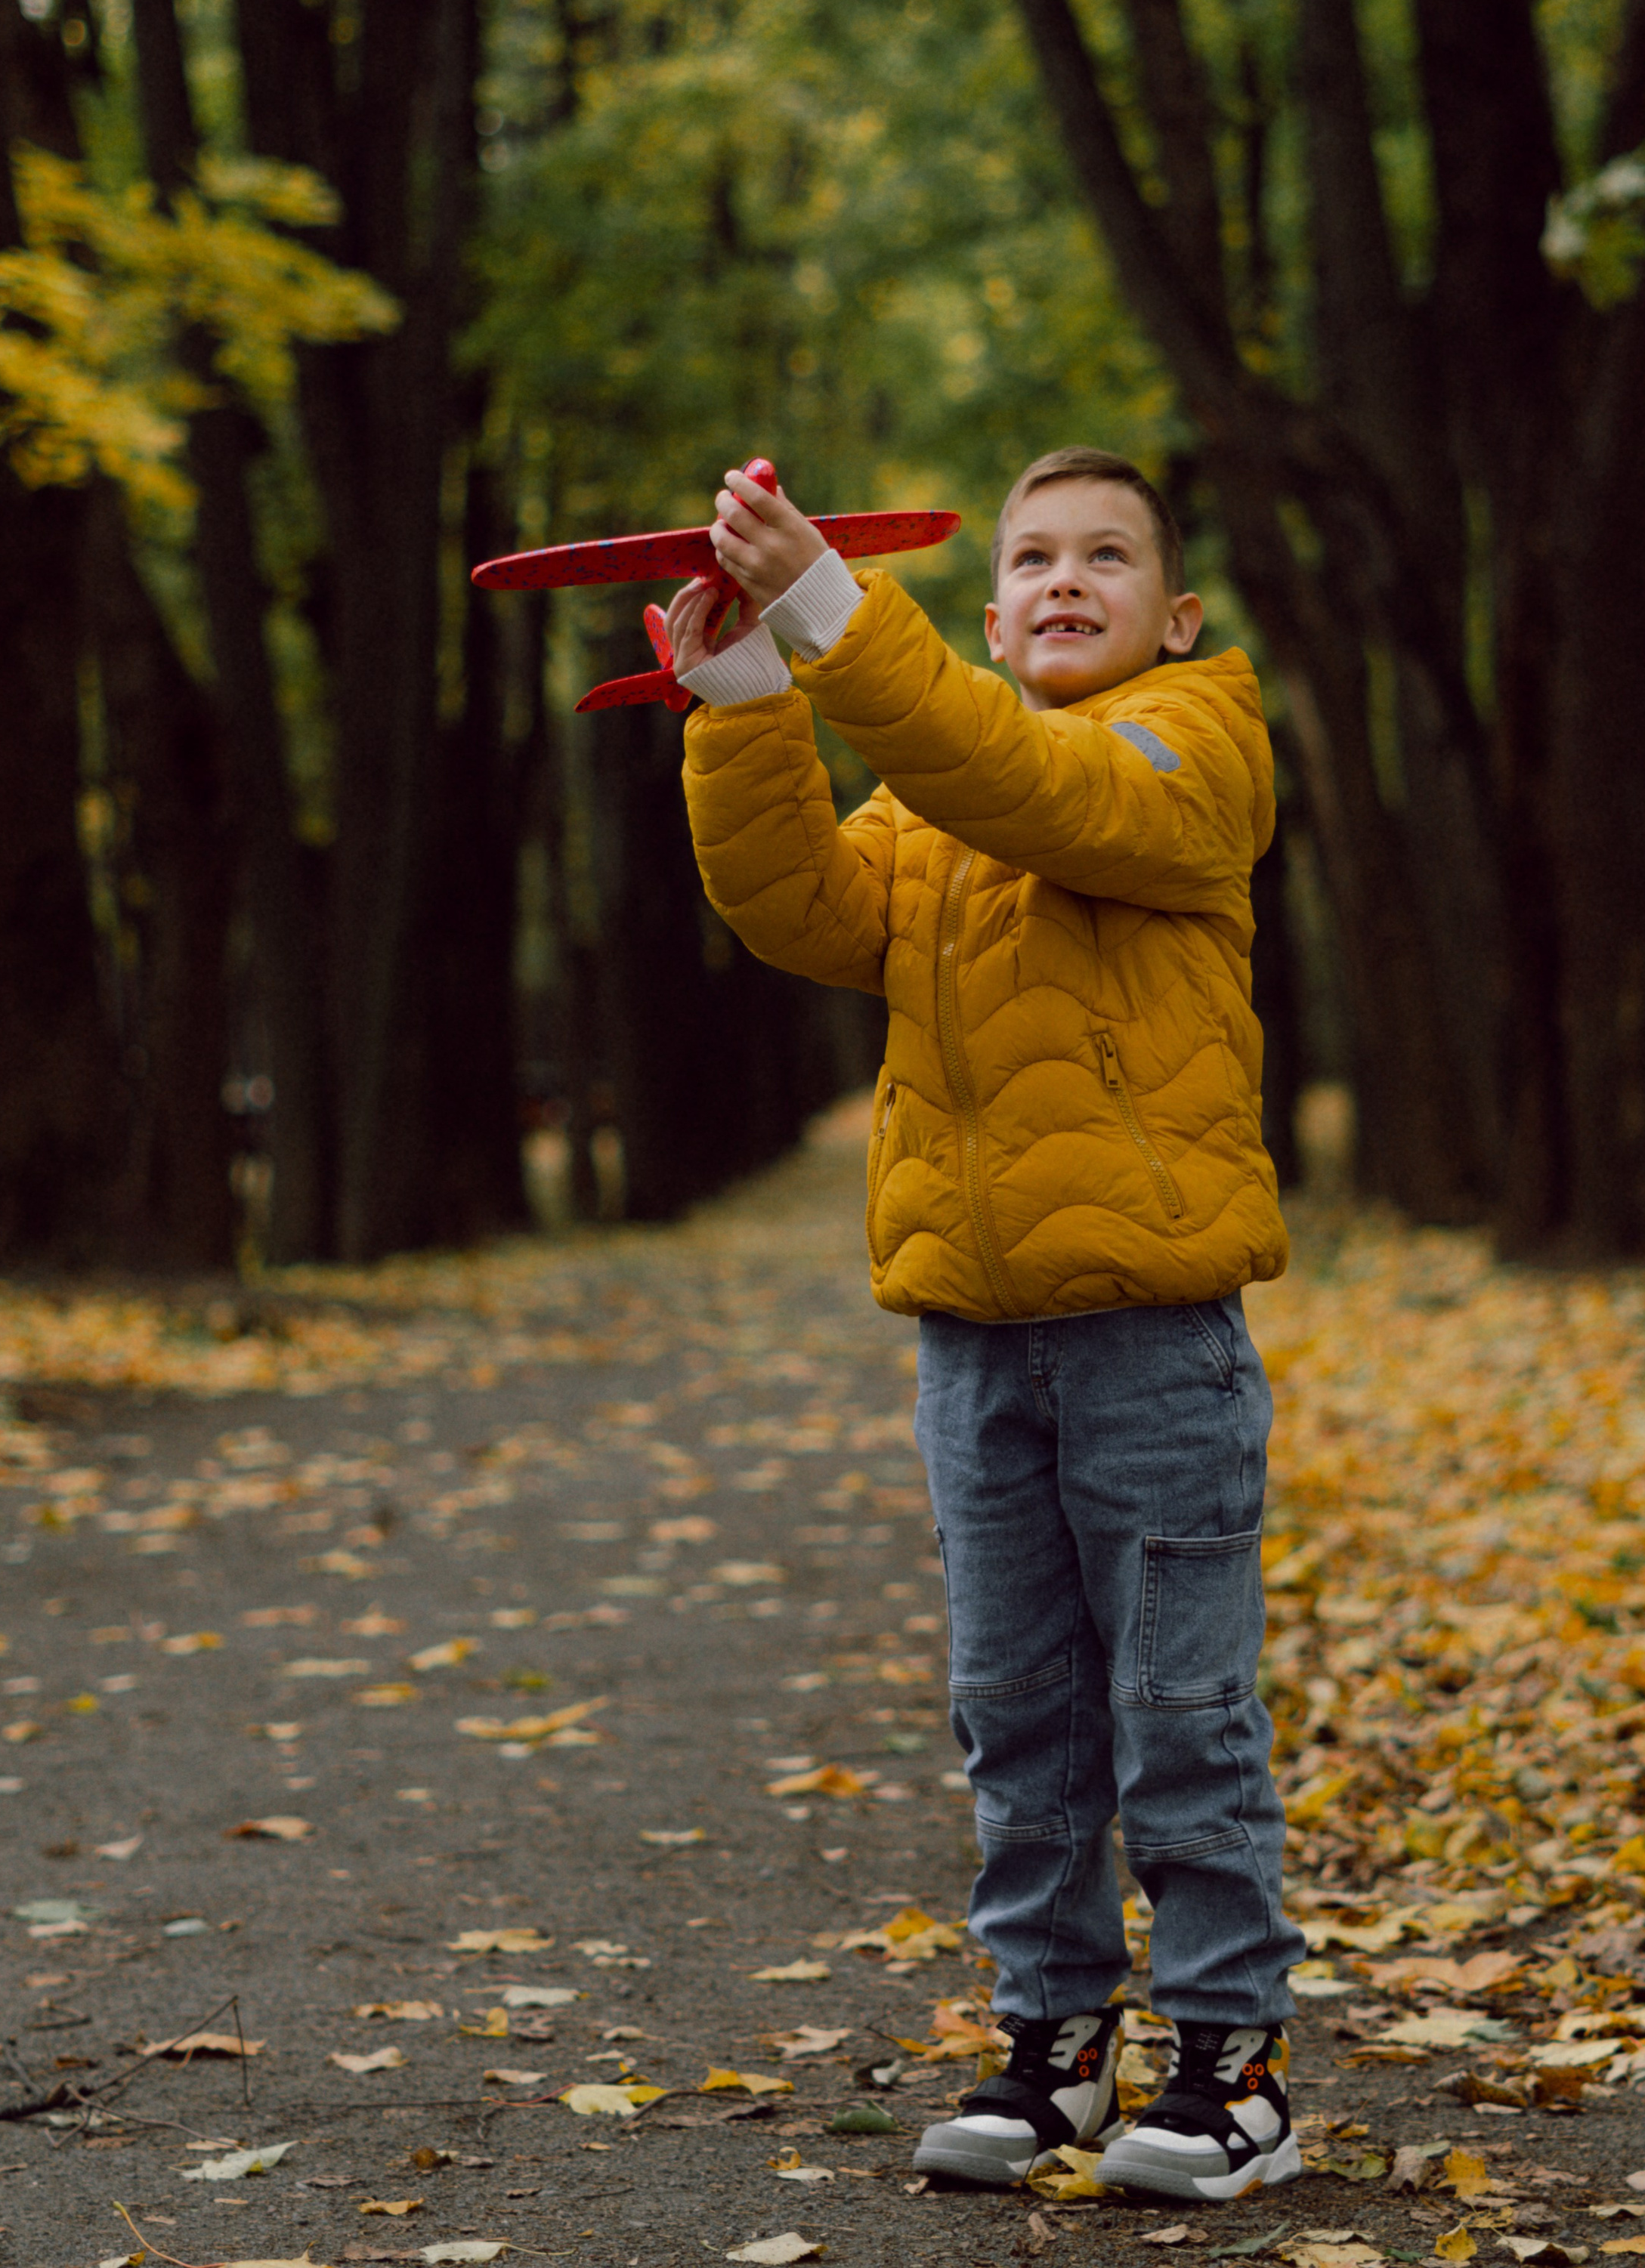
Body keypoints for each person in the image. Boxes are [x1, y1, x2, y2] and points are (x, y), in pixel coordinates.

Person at [667, 446, 1306, 2205]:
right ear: (993, 604)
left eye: (1106, 557)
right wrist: (738, 694)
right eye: (1029, 557)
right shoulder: (943, 789)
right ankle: (1053, 2045)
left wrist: (828, 610)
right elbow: (807, 906)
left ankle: (1229, 2058)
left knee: (1179, 1702)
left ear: (1174, 616)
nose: (1061, 579)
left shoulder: (1193, 747)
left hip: (1152, 1340)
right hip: (970, 1343)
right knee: (1015, 1711)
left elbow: (1043, 787)